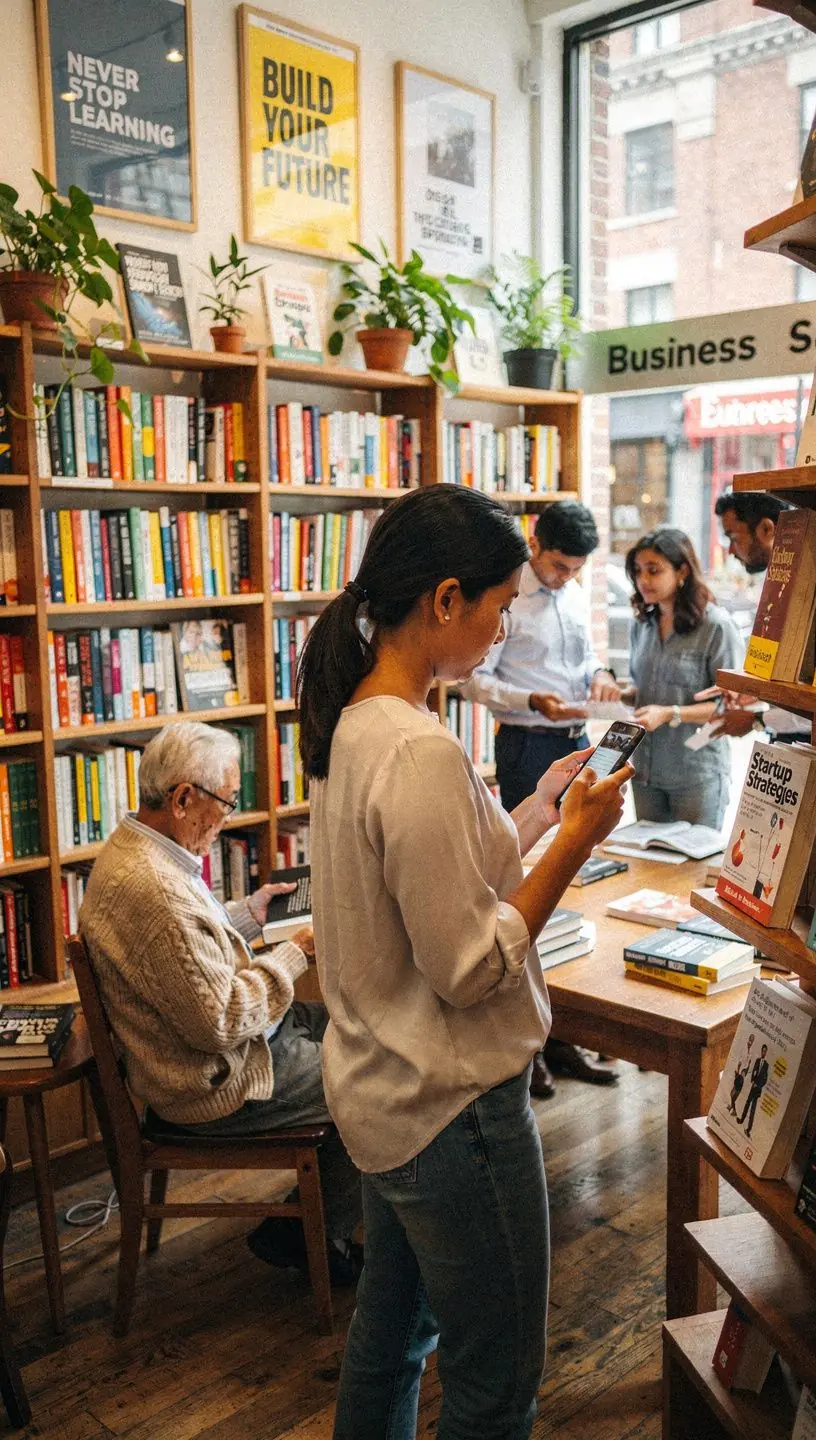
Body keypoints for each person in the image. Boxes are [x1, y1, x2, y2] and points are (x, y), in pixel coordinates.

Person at [297, 485, 632, 1440]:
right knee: (494, 1378)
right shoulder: (416, 749)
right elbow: (469, 966)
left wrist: (538, 813)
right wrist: (575, 845)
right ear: (446, 600)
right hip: (451, 1113)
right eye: (499, 605)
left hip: (385, 1093)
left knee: (392, 1339)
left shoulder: (357, 723)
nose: (504, 626)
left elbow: (447, 881)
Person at [79, 720, 362, 1285]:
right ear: (184, 798)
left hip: (208, 1052)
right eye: (225, 805)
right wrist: (292, 954)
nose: (225, 820)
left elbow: (182, 956)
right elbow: (223, 1020)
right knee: (386, 1071)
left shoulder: (137, 849)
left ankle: (317, 1219)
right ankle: (306, 1233)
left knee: (372, 1027)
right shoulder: (156, 890)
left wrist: (250, 915)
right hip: (216, 1079)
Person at [461, 499, 621, 1098]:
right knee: (527, 875)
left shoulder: (574, 593)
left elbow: (583, 659)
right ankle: (529, 1047)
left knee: (575, 875)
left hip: (575, 737)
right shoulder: (505, 599)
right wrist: (533, 702)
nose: (565, 577)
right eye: (558, 566)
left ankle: (562, 1033)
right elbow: (473, 677)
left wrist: (600, 675)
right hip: (526, 743)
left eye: (576, 569)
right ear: (535, 545)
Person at [623, 527, 743, 830]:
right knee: (649, 868)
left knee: (692, 871)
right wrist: (621, 694)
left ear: (682, 571)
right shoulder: (642, 625)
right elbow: (645, 691)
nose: (643, 580)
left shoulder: (716, 627)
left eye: (654, 570)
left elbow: (734, 708)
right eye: (638, 571)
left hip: (696, 773)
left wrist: (671, 713)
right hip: (646, 771)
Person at [705, 491, 811, 746]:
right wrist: (757, 692)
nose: (730, 550)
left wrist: (759, 719)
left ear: (766, 529)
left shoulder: (806, 588)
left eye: (732, 536)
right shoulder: (781, 584)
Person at [738, 1044, 770, 1138]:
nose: (763, 1052)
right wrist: (752, 1080)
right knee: (747, 1103)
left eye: (765, 1051)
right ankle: (742, 1120)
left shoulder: (766, 1065)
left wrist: (758, 1084)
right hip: (753, 1087)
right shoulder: (757, 1060)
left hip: (757, 1090)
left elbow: (765, 1080)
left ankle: (749, 1129)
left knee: (753, 1109)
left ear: (766, 1052)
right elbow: (754, 1071)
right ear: (761, 1051)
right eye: (762, 1050)